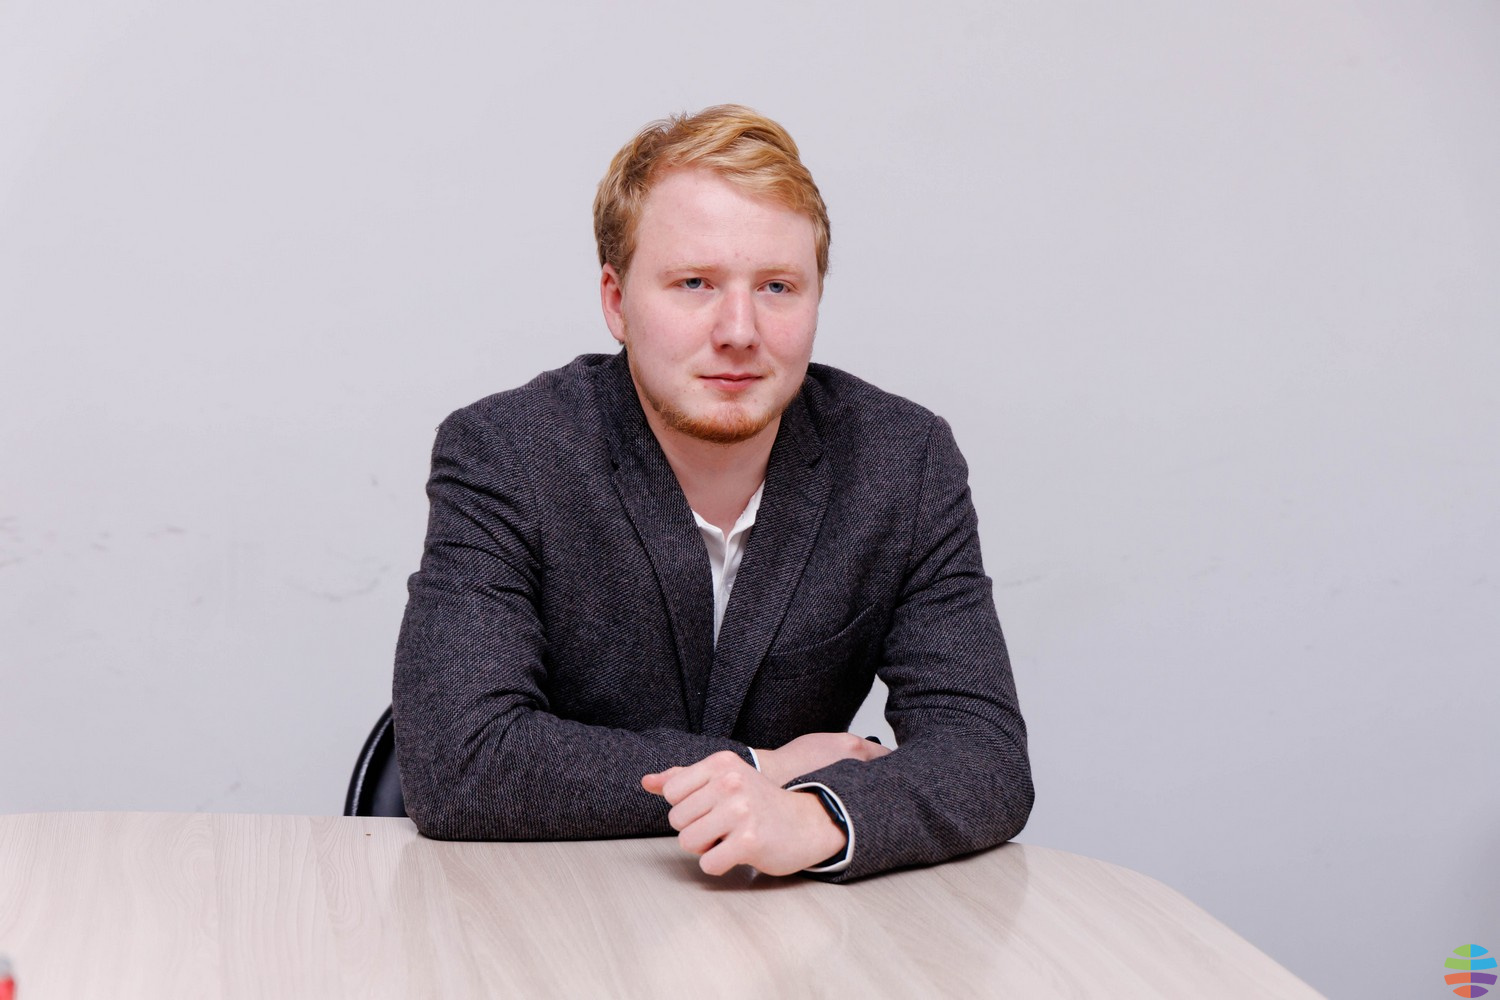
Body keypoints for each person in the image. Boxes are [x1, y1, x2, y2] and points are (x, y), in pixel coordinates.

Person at [392, 105, 1032, 881]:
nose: (739, 330)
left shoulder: (903, 460)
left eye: (777, 287)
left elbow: (986, 754)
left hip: (788, 928)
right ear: (616, 301)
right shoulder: (507, 452)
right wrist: (761, 767)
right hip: (540, 910)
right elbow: (461, 763)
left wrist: (817, 816)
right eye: (694, 283)